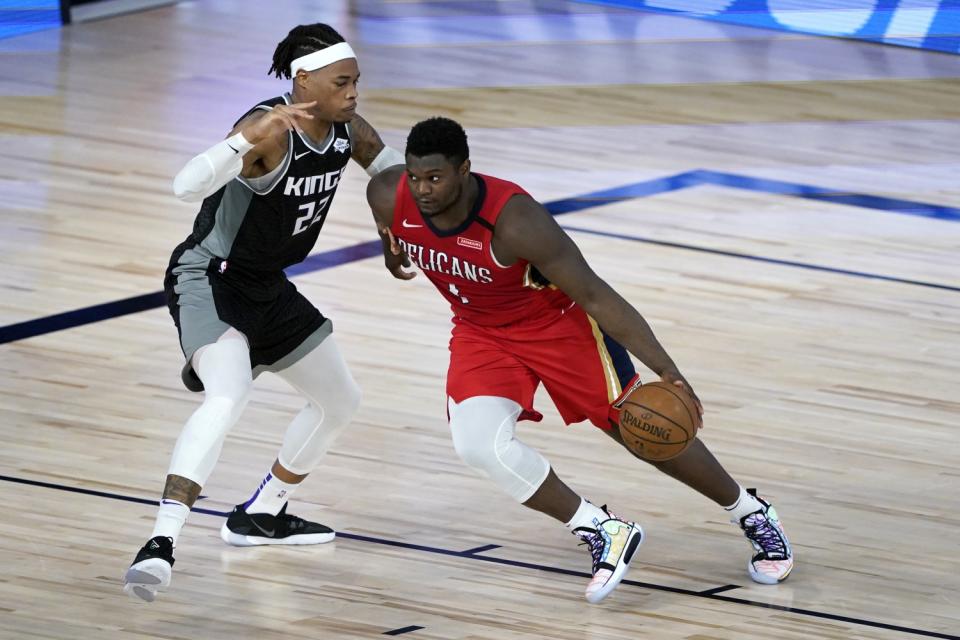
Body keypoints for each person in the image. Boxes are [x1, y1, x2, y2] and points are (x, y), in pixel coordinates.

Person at [366, 117, 793, 604]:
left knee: (641, 429)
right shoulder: (387, 194)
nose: (422, 189)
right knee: (477, 444)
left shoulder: (517, 221)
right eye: (416, 177)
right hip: (479, 332)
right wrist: (389, 250)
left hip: (557, 326)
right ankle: (601, 529)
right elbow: (387, 208)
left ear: (465, 169)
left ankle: (750, 512)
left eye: (436, 178)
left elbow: (595, 294)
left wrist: (668, 371)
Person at [123, 23, 406, 603]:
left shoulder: (346, 129)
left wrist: (390, 226)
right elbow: (183, 186)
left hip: (268, 287)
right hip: (210, 278)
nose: (354, 93)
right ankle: (160, 543)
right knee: (227, 396)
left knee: (340, 401)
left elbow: (391, 170)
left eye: (357, 82)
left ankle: (262, 513)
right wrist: (238, 143)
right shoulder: (269, 133)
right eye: (342, 82)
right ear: (305, 81)